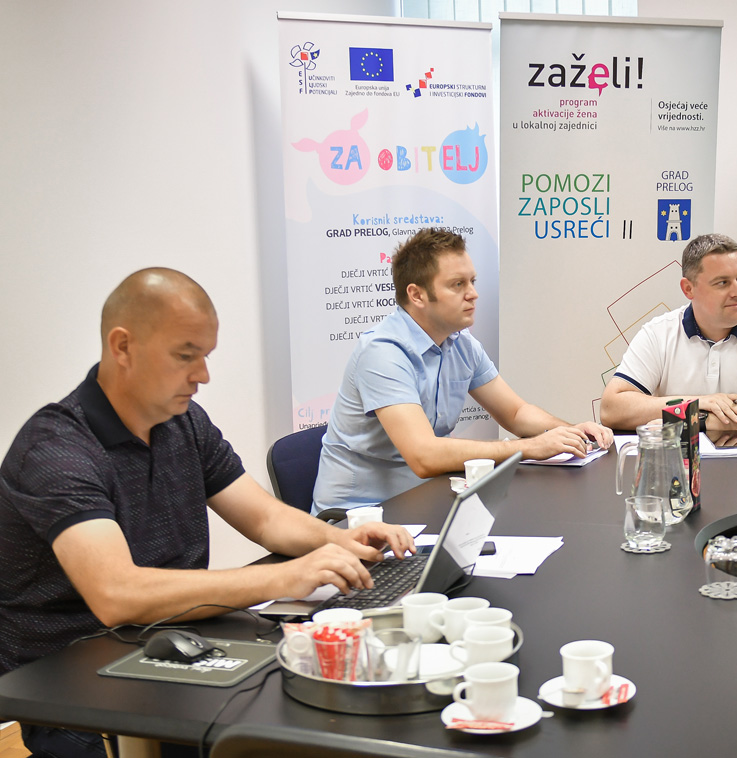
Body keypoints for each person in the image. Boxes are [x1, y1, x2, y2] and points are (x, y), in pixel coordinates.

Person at [0, 268, 415, 758]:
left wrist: (342, 541)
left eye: (206, 356)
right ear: (122, 347)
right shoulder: (56, 451)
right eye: (185, 356)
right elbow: (117, 594)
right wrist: (284, 577)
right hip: (76, 686)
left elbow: (265, 518)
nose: (203, 375)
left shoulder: (183, 422)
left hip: (176, 642)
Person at [313, 229, 612, 513]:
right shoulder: (383, 353)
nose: (473, 294)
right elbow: (424, 456)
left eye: (472, 281)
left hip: (424, 503)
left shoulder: (460, 343)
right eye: (458, 284)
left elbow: (516, 413)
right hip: (360, 518)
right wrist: (529, 447)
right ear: (417, 295)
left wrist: (570, 432)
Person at [598, 233, 737, 433]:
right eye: (722, 283)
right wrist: (698, 403)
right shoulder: (658, 333)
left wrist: (697, 419)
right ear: (688, 289)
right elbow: (611, 409)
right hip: (679, 456)